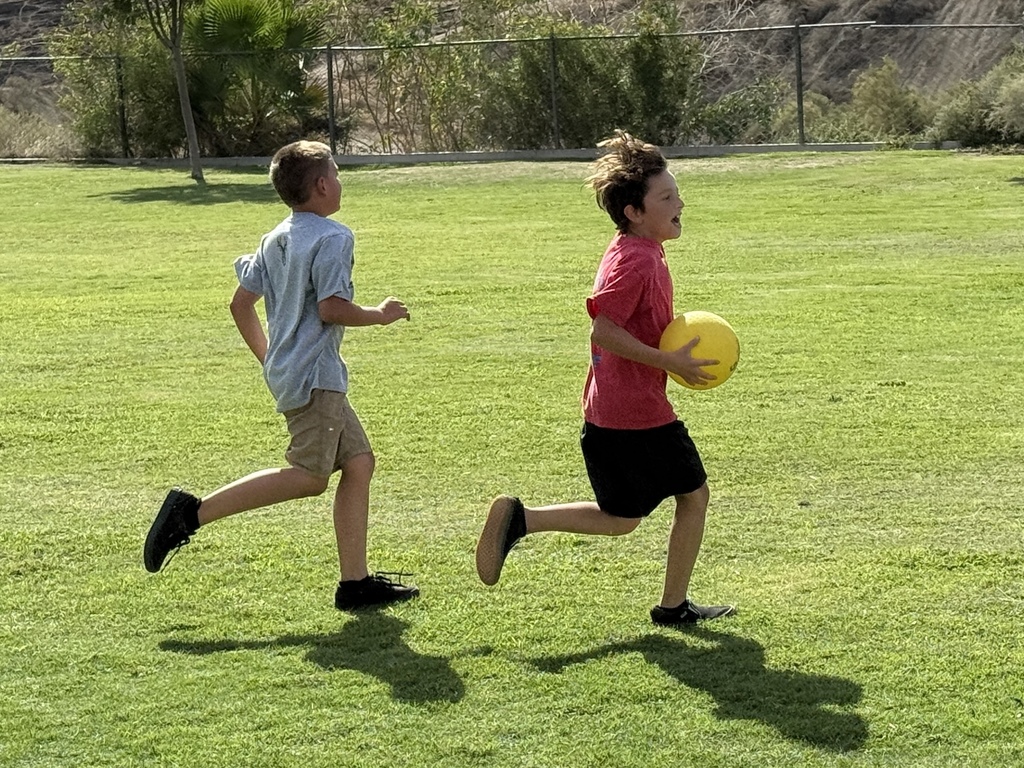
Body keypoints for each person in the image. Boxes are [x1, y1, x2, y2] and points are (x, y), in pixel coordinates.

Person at [144, 139, 418, 611]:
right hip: (316, 378)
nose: (340, 181)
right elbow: (332, 308)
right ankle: (191, 514)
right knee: (309, 476)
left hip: (302, 374)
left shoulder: (275, 238)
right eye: (336, 173)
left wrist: (271, 358)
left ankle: (355, 583)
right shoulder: (333, 237)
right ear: (322, 185)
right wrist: (380, 314)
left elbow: (240, 304)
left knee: (358, 463)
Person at [475, 130, 734, 626]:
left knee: (622, 518)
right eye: (666, 198)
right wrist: (670, 361)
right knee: (694, 495)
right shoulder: (636, 260)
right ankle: (673, 606)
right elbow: (604, 331)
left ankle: (520, 520)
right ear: (634, 211)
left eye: (677, 193)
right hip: (637, 413)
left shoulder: (635, 247)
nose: (680, 204)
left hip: (610, 410)